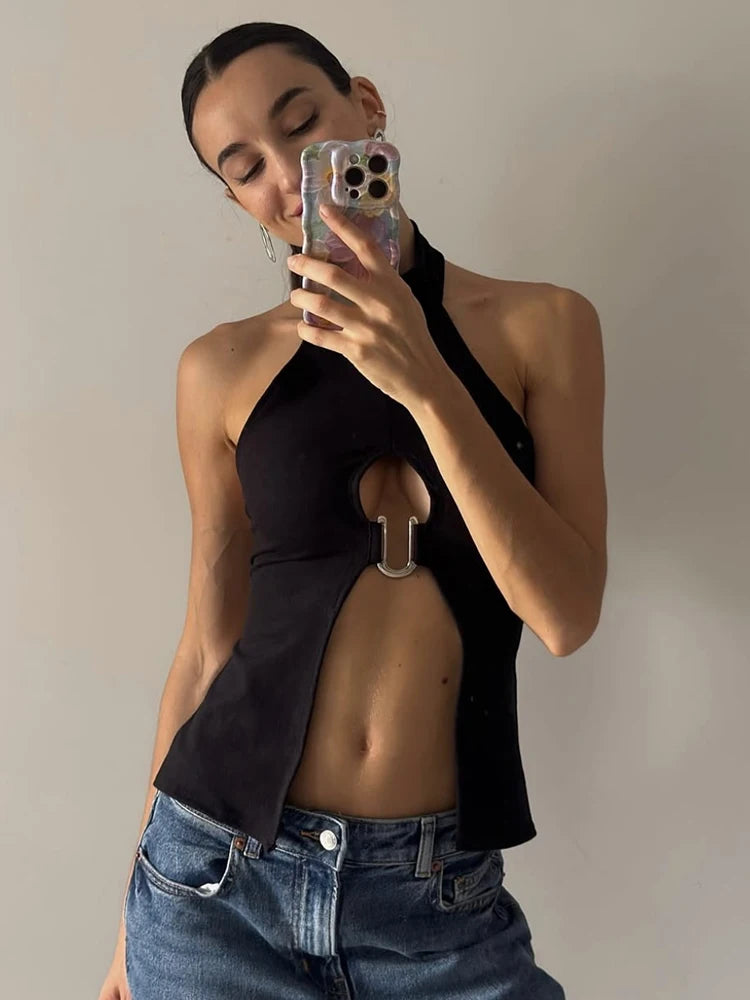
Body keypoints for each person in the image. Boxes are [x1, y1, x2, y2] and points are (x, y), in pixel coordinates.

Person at [99, 20, 607, 1000]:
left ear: (364, 108)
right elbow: (205, 648)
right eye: (246, 168)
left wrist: (425, 376)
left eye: (301, 126)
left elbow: (566, 613)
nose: (288, 177)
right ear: (237, 199)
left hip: (436, 907)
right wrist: (130, 914)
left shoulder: (544, 326)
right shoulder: (220, 368)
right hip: (216, 884)